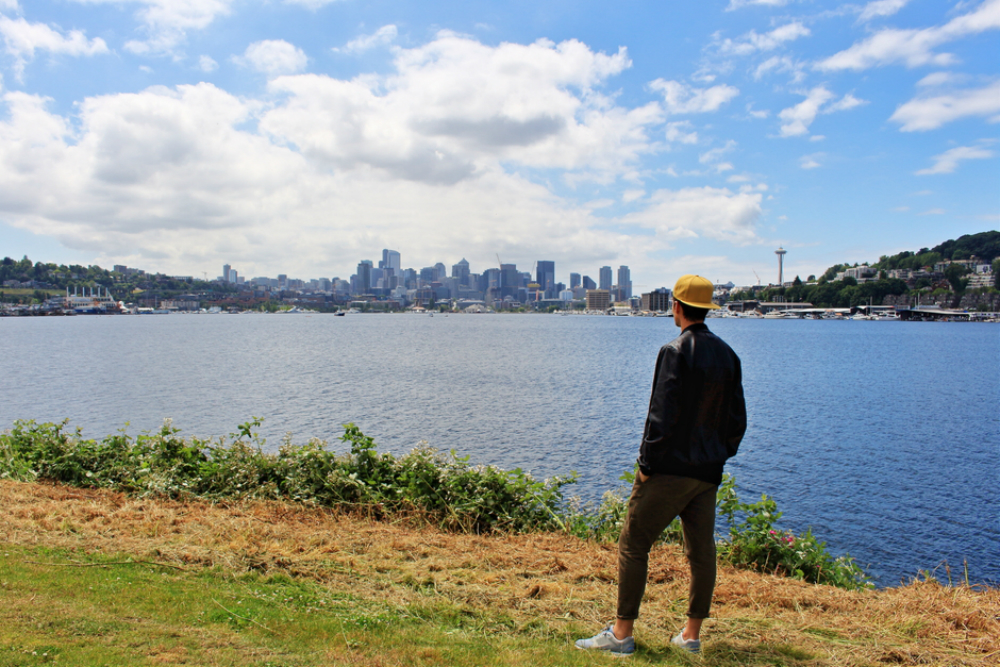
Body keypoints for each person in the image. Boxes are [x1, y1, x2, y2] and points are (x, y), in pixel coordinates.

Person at [575, 274, 747, 656]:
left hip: (669, 470)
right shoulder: (728, 355)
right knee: (702, 553)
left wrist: (646, 465)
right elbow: (738, 422)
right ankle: (691, 636)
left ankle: (621, 635)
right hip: (707, 474)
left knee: (634, 543)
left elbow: (660, 417)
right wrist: (718, 453)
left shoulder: (675, 351)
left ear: (677, 307)